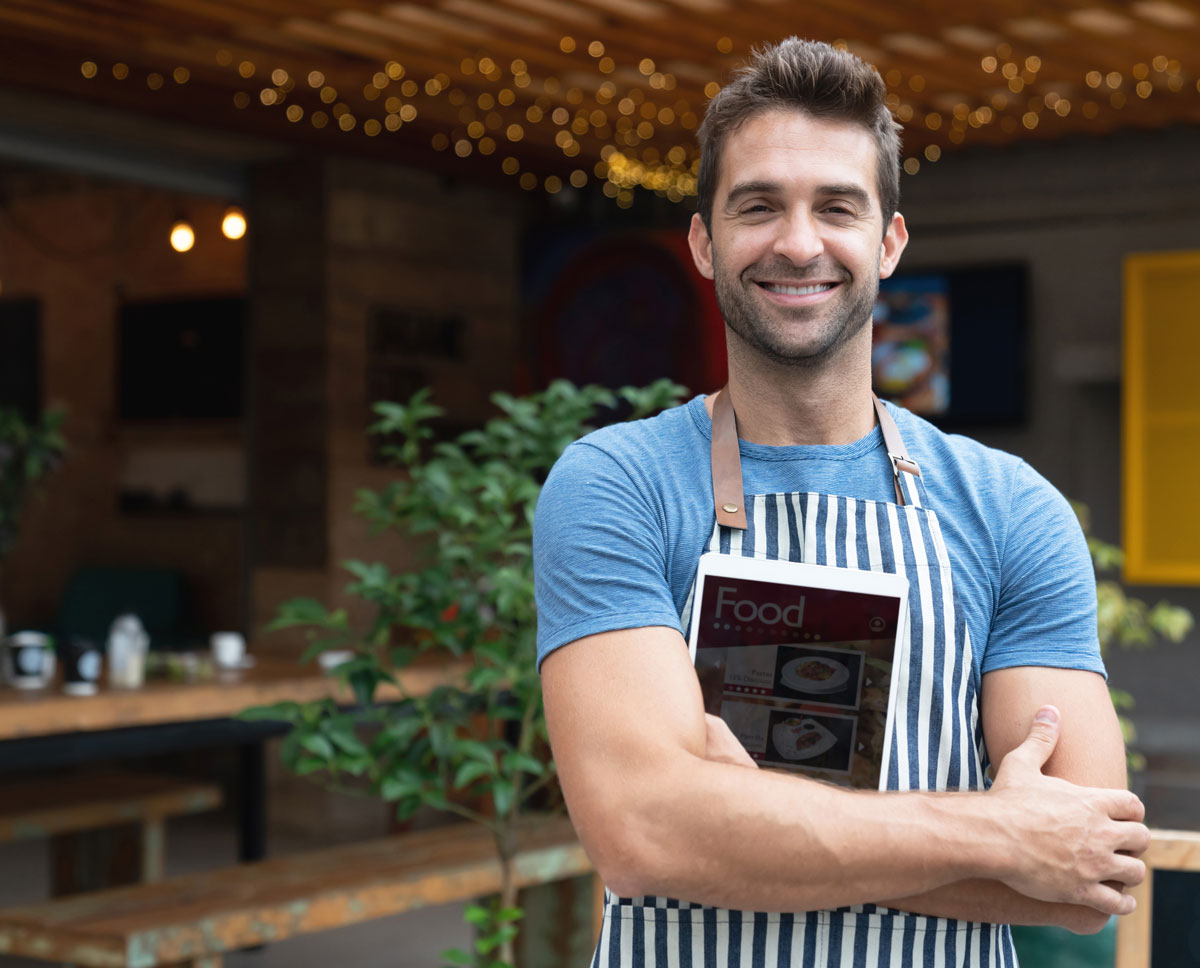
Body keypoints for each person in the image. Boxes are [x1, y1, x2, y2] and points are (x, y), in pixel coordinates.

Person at [533, 37, 1148, 967]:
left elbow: (1086, 876)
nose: (798, 242)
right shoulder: (619, 484)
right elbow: (645, 834)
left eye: (837, 207)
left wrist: (741, 828)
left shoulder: (1010, 508)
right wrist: (996, 833)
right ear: (703, 242)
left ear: (889, 242)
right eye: (758, 206)